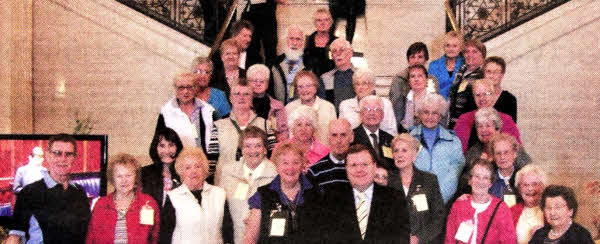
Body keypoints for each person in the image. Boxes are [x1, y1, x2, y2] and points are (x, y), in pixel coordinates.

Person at [317, 144, 410, 242]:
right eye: (353, 165)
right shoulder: (330, 199)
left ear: (374, 166)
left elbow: (401, 239)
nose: (359, 170)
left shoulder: (394, 198)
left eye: (364, 164)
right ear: (346, 169)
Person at [8, 134, 91, 244]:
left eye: (68, 154)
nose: (63, 159)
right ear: (47, 156)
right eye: (57, 153)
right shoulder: (29, 192)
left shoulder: (79, 192)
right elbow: (15, 237)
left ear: (74, 158)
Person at [243, 142, 320, 243]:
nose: (290, 168)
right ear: (277, 166)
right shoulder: (262, 195)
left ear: (302, 165)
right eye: (285, 163)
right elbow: (250, 238)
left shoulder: (317, 194)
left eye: (296, 162)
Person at [216, 126, 277, 244]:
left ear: (265, 149)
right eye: (248, 146)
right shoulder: (228, 173)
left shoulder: (275, 174)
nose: (253, 151)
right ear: (242, 149)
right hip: (235, 239)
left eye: (258, 146)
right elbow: (222, 210)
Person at [159, 148, 233, 244]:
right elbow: (165, 236)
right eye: (188, 168)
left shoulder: (219, 194)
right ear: (181, 172)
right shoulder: (173, 197)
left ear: (204, 169)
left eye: (197, 166)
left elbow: (227, 232)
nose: (193, 171)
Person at [456, 108, 531, 199]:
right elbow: (463, 185)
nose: (484, 130)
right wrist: (479, 166)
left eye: (488, 126)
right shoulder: (472, 154)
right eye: (480, 126)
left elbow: (529, 173)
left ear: (498, 129)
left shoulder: (513, 147)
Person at [86, 153, 160, 244]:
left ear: (135, 177)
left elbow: (155, 239)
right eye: (119, 176)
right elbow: (91, 239)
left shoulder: (148, 203)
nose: (124, 180)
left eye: (128, 175)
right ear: (112, 179)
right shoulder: (100, 204)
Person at [387, 133, 445, 244]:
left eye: (404, 150)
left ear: (414, 155)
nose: (399, 155)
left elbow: (438, 217)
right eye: (396, 151)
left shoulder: (429, 180)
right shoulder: (386, 181)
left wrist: (419, 238)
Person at [209, 82, 274, 180]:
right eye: (237, 94)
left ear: (252, 98)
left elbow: (273, 155)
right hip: (226, 181)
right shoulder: (218, 126)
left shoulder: (265, 124)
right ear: (230, 98)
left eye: (246, 94)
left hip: (259, 181)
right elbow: (212, 159)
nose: (241, 97)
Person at [410, 93, 464, 204]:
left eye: (435, 113)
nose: (430, 117)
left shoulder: (453, 141)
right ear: (419, 114)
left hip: (445, 200)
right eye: (426, 112)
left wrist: (439, 198)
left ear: (440, 116)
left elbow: (454, 176)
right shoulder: (408, 139)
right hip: (415, 200)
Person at [445, 160, 517, 243]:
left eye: (485, 178)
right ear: (470, 180)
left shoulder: (501, 209)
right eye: (477, 176)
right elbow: (449, 240)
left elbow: (509, 241)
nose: (480, 181)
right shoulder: (458, 206)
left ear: (490, 183)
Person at [155, 72, 216, 154]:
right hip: (176, 162)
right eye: (181, 88)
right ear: (175, 89)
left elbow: (215, 142)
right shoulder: (165, 113)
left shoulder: (208, 110)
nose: (185, 91)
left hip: (202, 162)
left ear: (196, 88)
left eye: (190, 87)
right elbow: (157, 144)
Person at [454, 78, 521, 153]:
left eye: (486, 94)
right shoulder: (465, 119)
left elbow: (516, 148)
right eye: (478, 95)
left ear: (493, 95)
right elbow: (458, 149)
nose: (482, 98)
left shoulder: (505, 119)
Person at [339, 68, 398, 135]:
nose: (360, 87)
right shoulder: (345, 105)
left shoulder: (385, 104)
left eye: (364, 83)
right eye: (357, 84)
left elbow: (392, 131)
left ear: (373, 86)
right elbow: (342, 132)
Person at [285, 70, 336, 145]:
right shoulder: (289, 108)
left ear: (315, 88)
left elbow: (334, 135)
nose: (304, 90)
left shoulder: (328, 107)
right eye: (300, 86)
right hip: (297, 154)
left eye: (308, 86)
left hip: (323, 153)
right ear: (296, 90)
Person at [530, 185, 595, 243]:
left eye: (558, 207)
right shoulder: (539, 234)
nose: (552, 213)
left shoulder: (581, 235)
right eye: (548, 208)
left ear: (570, 211)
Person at [389, 42, 440, 111]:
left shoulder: (433, 80)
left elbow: (435, 106)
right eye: (412, 57)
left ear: (426, 60)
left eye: (420, 57)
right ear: (408, 60)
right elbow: (396, 107)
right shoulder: (399, 79)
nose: (416, 61)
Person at [447, 38, 486, 129]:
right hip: (455, 122)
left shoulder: (483, 74)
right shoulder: (461, 71)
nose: (469, 55)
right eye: (467, 52)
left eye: (474, 52)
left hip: (471, 124)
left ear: (482, 55)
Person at [141, 127, 184, 207]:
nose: (167, 151)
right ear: (155, 148)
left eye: (171, 145)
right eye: (162, 146)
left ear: (177, 148)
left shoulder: (184, 173)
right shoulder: (144, 173)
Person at [306, 118, 354, 189]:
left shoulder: (361, 168)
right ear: (328, 137)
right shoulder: (314, 171)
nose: (339, 140)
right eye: (334, 135)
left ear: (351, 137)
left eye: (343, 135)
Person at [351, 95, 395, 171]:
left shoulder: (390, 139)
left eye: (376, 109)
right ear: (360, 114)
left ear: (382, 115)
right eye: (367, 109)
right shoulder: (351, 137)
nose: (372, 113)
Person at [247, 64, 289, 142]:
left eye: (262, 81)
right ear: (248, 82)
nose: (258, 84)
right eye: (254, 81)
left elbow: (283, 131)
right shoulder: (243, 103)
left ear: (267, 84)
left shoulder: (278, 106)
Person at [240, 0, 284, 67]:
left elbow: (282, 1)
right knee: (252, 50)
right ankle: (255, 74)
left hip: (266, 10)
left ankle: (270, 72)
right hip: (251, 10)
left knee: (270, 49)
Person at [488, 133, 531, 201]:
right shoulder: (487, 179)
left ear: (515, 154)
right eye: (498, 153)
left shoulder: (523, 178)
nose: (502, 157)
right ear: (493, 157)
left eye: (506, 152)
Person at [271, 25, 307, 104]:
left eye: (298, 39)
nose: (294, 43)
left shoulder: (309, 64)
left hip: (302, 110)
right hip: (280, 110)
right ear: (286, 40)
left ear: (302, 42)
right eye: (291, 38)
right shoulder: (275, 63)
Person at [396, 64, 440, 130]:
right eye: (412, 76)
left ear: (426, 79)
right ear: (409, 81)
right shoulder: (404, 99)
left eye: (420, 76)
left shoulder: (435, 99)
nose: (416, 79)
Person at [510, 165, 547, 244]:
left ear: (542, 187)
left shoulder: (550, 210)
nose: (530, 189)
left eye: (534, 184)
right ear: (519, 189)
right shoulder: (511, 211)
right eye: (525, 185)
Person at [318, 38, 356, 109]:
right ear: (332, 56)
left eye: (342, 50)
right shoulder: (325, 78)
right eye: (334, 51)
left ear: (351, 53)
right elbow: (322, 105)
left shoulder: (361, 75)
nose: (338, 54)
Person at [428, 31, 465, 98]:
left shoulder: (465, 65)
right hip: (438, 105)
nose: (451, 49)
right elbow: (431, 91)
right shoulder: (433, 66)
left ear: (460, 48)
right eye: (448, 45)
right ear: (444, 47)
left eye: (455, 46)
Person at [483, 56, 518, 123]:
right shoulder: (476, 96)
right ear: (484, 74)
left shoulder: (510, 99)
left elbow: (510, 128)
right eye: (488, 72)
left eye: (496, 72)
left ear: (502, 74)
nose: (491, 76)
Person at [303, 8, 336, 76]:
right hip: (311, 80)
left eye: (326, 20)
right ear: (315, 23)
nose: (322, 23)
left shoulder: (336, 42)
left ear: (330, 23)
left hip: (331, 80)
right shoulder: (307, 40)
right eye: (319, 20)